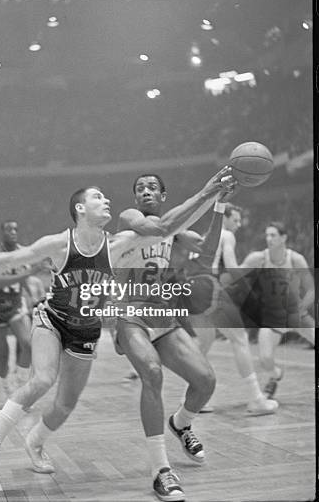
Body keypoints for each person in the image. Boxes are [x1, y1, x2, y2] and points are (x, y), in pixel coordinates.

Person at [0, 172, 229, 499]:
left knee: (65, 405)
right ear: (80, 209)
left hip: (87, 328)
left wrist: (216, 196)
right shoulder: (62, 242)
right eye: (98, 197)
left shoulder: (118, 245)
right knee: (43, 379)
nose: (107, 200)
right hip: (53, 318)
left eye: (106, 197)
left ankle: (35, 440)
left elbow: (169, 229)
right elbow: (10, 258)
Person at [113, 174, 232, 502]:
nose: (145, 192)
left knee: (206, 381)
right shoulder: (130, 218)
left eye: (152, 188)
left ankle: (181, 423)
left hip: (163, 316)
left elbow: (206, 251)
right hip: (130, 313)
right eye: (140, 188)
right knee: (151, 373)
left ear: (163, 195)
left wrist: (219, 203)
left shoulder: (175, 231)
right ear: (135, 197)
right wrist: (207, 191)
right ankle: (161, 470)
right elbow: (159, 227)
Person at [173, 204, 278, 416]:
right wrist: (252, 264)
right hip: (206, 285)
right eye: (236, 220)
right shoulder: (226, 234)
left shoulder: (204, 236)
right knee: (239, 339)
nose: (238, 225)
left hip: (188, 289)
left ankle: (190, 397)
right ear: (226, 218)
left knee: (205, 340)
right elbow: (231, 267)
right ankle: (257, 399)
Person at [240, 221, 315, 399]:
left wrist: (300, 309)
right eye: (267, 235)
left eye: (273, 235)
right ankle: (275, 375)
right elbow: (235, 275)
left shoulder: (295, 259)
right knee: (265, 360)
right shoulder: (259, 258)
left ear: (283, 238)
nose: (269, 239)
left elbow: (311, 289)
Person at [0, 221, 44, 394]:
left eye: (15, 229)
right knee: (3, 357)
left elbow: (24, 278)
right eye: (9, 229)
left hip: (17, 306)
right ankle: (5, 384)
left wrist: (33, 296)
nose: (13, 232)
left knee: (28, 345)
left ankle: (20, 385)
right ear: (2, 232)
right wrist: (29, 273)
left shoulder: (23, 252)